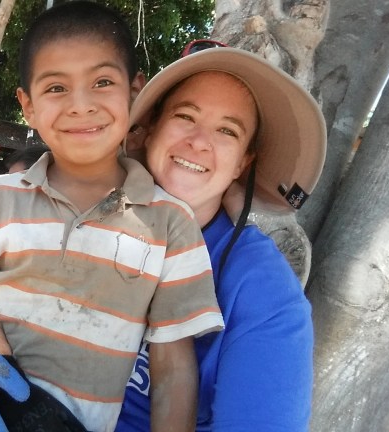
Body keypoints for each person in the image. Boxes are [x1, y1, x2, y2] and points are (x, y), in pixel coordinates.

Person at [0, 2, 223, 432]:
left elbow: (173, 369)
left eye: (102, 82)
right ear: (28, 106)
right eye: (56, 88)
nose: (81, 105)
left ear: (134, 90)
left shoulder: (171, 223)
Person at [114, 41, 325, 431]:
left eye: (227, 130)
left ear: (242, 162)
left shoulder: (261, 286)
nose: (199, 141)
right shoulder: (84, 206)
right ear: (151, 129)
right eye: (185, 116)